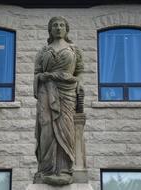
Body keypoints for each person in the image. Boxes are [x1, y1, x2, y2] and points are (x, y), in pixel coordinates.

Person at [33, 16, 84, 185]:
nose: (58, 27)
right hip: (46, 91)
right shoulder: (43, 51)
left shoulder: (74, 49)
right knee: (46, 127)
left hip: (67, 92)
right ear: (50, 29)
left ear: (66, 29)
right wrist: (44, 77)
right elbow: (37, 74)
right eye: (54, 25)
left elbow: (79, 72)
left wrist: (79, 84)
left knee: (66, 127)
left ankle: (63, 170)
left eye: (62, 25)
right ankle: (46, 169)